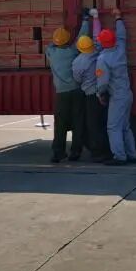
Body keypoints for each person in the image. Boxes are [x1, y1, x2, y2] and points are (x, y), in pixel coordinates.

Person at [45, 11, 90, 162]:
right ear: (68, 40)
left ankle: (58, 152)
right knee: (78, 121)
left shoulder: (51, 52)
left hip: (62, 93)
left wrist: (59, 36)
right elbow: (81, 38)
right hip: (76, 91)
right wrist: (85, 20)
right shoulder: (73, 52)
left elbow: (51, 44)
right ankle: (75, 152)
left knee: (60, 123)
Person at [96, 7, 136, 165]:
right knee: (125, 126)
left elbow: (102, 82)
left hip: (117, 97)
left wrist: (100, 94)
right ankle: (132, 154)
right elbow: (121, 34)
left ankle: (119, 156)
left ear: (102, 43)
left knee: (113, 127)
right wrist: (118, 17)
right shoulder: (120, 48)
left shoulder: (103, 60)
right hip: (127, 93)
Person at [71, 8, 111, 162]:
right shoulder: (98, 50)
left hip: (90, 96)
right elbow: (96, 35)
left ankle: (97, 152)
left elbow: (77, 79)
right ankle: (108, 149)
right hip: (103, 92)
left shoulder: (78, 62)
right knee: (103, 122)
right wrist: (95, 18)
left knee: (92, 125)